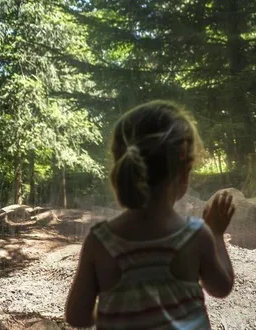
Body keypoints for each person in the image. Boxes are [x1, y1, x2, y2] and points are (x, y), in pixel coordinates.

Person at [65, 100, 235, 329]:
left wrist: (115, 310)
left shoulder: (100, 242)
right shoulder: (195, 235)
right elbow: (221, 287)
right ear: (184, 170)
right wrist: (216, 233)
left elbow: (76, 316)